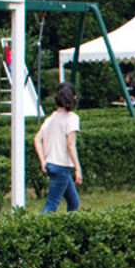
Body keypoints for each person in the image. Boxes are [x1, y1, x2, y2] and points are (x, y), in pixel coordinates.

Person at [33, 83, 83, 213]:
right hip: (62, 166)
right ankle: (34, 229)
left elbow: (37, 139)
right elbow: (70, 145)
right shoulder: (72, 118)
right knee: (51, 205)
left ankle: (69, 227)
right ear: (73, 97)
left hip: (51, 164)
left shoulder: (51, 118)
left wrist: (43, 160)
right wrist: (78, 168)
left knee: (73, 201)